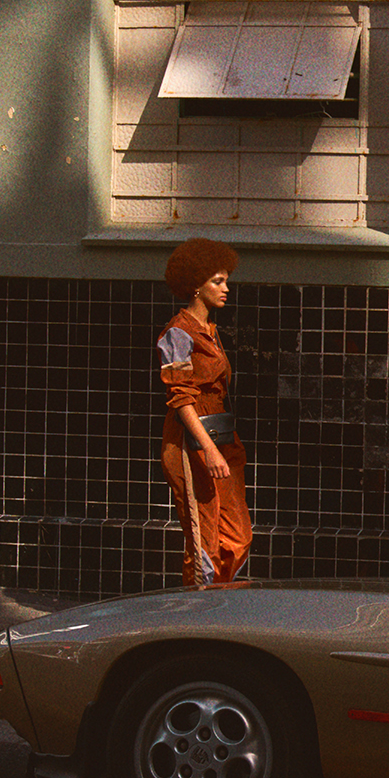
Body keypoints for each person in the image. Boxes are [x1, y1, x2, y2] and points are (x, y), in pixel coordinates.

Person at [157, 237, 252, 586]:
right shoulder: (178, 334)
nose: (226, 288)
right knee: (204, 538)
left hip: (221, 434)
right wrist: (208, 449)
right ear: (196, 285)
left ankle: (223, 602)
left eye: (226, 280)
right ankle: (197, 609)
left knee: (237, 534)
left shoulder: (209, 331)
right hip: (191, 440)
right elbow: (181, 398)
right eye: (217, 281)